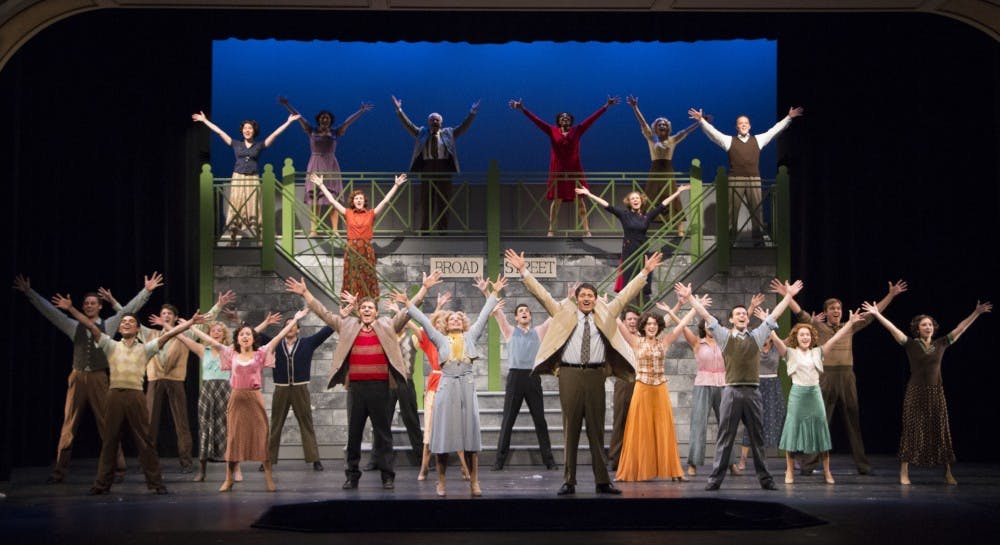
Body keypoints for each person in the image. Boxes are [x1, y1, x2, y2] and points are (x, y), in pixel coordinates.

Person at [505, 248, 664, 496]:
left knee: (596, 428)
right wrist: (523, 270)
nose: (587, 299)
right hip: (569, 374)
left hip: (595, 375)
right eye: (583, 295)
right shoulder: (563, 311)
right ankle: (569, 480)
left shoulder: (606, 312)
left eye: (591, 295)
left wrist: (644, 272)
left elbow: (625, 296)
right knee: (571, 428)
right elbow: (542, 295)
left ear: (597, 298)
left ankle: (602, 481)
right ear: (577, 299)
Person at [285, 273, 438, 490]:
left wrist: (423, 289)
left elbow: (407, 312)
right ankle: (352, 475)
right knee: (354, 434)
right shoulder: (347, 325)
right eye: (364, 307)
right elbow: (324, 313)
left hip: (380, 388)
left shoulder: (387, 324)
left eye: (370, 308)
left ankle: (387, 476)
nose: (367, 310)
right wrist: (306, 293)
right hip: (356, 389)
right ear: (359, 310)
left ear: (376, 312)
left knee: (383, 434)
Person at [13, 272, 161, 484]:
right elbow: (51, 313)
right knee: (69, 424)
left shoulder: (109, 325)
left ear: (100, 306)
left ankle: (118, 469)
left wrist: (147, 291)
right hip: (78, 376)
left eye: (93, 303)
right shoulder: (75, 326)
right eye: (86, 303)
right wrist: (30, 293)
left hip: (99, 378)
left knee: (107, 423)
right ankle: (59, 471)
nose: (89, 305)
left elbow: (129, 309)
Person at [51, 294, 204, 495]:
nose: (126, 324)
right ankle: (102, 484)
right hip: (114, 396)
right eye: (123, 322)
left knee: (145, 440)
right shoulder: (110, 345)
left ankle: (156, 483)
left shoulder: (145, 348)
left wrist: (190, 323)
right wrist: (71, 309)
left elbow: (167, 335)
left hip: (135, 396)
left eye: (131, 322)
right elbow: (92, 327)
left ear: (137, 329)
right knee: (109, 440)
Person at [679, 278, 803, 491]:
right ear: (731, 319)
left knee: (757, 438)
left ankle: (766, 480)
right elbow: (706, 316)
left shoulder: (756, 336)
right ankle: (714, 480)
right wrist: (690, 298)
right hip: (732, 391)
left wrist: (789, 296)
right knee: (725, 437)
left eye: (744, 313)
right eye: (738, 314)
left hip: (752, 392)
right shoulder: (725, 337)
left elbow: (774, 315)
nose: (743, 315)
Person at [775, 278, 908, 476]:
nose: (837, 311)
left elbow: (872, 314)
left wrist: (891, 294)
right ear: (826, 312)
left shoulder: (850, 325)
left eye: (839, 308)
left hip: (846, 376)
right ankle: (809, 464)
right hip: (826, 376)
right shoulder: (818, 327)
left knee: (852, 418)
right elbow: (799, 312)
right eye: (832, 308)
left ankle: (862, 465)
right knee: (819, 420)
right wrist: (787, 294)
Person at [395, 274, 505, 497]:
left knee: (471, 437)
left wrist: (494, 292)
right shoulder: (439, 338)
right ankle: (441, 483)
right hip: (445, 386)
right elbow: (425, 322)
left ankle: (474, 482)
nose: (455, 319)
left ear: (463, 322)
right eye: (451, 317)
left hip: (467, 385)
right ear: (446, 323)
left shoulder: (471, 336)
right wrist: (408, 304)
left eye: (458, 317)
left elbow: (484, 316)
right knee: (443, 436)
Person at [862, 299, 992, 485]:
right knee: (911, 431)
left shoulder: (941, 344)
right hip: (915, 393)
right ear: (917, 328)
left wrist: (976, 313)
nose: (928, 327)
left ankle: (947, 472)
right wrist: (877, 314)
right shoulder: (910, 344)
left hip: (935, 392)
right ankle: (904, 472)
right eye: (924, 325)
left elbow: (960, 328)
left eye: (930, 324)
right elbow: (893, 329)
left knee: (941, 430)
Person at [188, 308, 309, 492]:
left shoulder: (260, 353)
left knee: (261, 435)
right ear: (237, 339)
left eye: (248, 334)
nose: (245, 336)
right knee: (234, 438)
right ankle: (228, 479)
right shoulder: (231, 353)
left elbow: (279, 336)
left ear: (253, 338)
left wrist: (295, 320)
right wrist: (191, 326)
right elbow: (211, 341)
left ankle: (269, 478)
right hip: (236, 398)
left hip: (254, 398)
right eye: (242, 334)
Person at [767, 308, 864, 485]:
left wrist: (849, 323)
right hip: (798, 395)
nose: (805, 338)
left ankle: (827, 471)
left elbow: (835, 338)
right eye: (802, 335)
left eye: (808, 335)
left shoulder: (818, 352)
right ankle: (789, 471)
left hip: (814, 394)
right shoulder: (790, 353)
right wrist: (768, 321)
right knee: (792, 432)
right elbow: (774, 339)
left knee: (821, 432)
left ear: (812, 338)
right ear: (796, 337)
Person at [615, 297, 706, 482]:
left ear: (658, 326)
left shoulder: (664, 341)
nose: (651, 326)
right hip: (642, 388)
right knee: (638, 431)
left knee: (664, 430)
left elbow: (681, 325)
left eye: (655, 324)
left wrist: (695, 308)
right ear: (643, 326)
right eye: (648, 324)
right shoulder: (635, 341)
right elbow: (617, 321)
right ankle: (629, 471)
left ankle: (674, 471)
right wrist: (605, 305)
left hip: (660, 389)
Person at [142, 291, 232, 472]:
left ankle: (186, 462)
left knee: (181, 422)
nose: (166, 316)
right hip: (154, 380)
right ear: (159, 317)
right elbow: (129, 321)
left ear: (175, 318)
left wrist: (219, 306)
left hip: (175, 380)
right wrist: (114, 303)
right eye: (163, 314)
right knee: (149, 422)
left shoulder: (185, 335)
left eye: (169, 314)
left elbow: (205, 320)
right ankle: (147, 461)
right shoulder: (150, 333)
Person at [687, 106, 803, 241]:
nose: (743, 125)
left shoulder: (758, 140)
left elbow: (774, 131)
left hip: (754, 178)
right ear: (737, 127)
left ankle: (758, 240)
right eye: (740, 123)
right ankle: (730, 241)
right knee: (732, 211)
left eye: (746, 123)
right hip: (735, 179)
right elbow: (714, 134)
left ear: (749, 126)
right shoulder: (729, 140)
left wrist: (788, 118)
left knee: (757, 211)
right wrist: (701, 120)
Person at [510, 96, 619, 237]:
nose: (565, 118)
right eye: (562, 117)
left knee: (580, 200)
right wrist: (522, 109)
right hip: (559, 170)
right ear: (558, 121)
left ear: (571, 121)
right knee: (557, 200)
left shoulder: (577, 130)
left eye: (567, 117)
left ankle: (586, 230)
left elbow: (592, 119)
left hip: (575, 170)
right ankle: (551, 229)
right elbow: (537, 121)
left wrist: (606, 106)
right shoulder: (552, 130)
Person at [191, 110, 300, 240]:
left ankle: (259, 236)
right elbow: (220, 132)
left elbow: (275, 134)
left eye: (250, 128)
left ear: (254, 131)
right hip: (238, 177)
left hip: (252, 178)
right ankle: (233, 235)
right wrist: (205, 121)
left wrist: (288, 122)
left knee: (253, 204)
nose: (247, 130)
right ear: (242, 131)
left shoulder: (259, 146)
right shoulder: (236, 144)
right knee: (236, 203)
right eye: (245, 128)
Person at [278, 97, 373, 236]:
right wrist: (287, 105)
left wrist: (361, 111)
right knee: (314, 198)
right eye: (322, 117)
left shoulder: (335, 132)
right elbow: (300, 118)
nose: (325, 119)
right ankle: (313, 230)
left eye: (327, 117)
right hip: (315, 164)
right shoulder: (311, 131)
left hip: (331, 165)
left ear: (330, 120)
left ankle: (334, 230)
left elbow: (348, 122)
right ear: (318, 119)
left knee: (332, 198)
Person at [575, 184, 689, 300]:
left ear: (641, 201)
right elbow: (607, 205)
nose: (635, 200)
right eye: (633, 198)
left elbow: (663, 205)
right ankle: (627, 306)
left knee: (644, 281)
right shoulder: (624, 215)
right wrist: (589, 194)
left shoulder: (646, 216)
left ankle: (642, 304)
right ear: (629, 202)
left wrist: (677, 192)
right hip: (629, 252)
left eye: (637, 198)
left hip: (643, 250)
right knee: (628, 281)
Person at [256, 311, 334, 472]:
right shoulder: (275, 344)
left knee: (307, 424)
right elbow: (253, 334)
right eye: (287, 325)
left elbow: (326, 331)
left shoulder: (307, 343)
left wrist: (340, 316)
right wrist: (238, 321)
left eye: (293, 325)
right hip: (281, 388)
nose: (290, 328)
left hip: (300, 388)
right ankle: (268, 460)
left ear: (298, 329)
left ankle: (315, 459)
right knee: (276, 424)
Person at [392, 95, 479, 231]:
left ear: (441, 123)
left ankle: (442, 230)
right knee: (426, 201)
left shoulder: (448, 133)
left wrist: (472, 113)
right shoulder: (422, 132)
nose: (434, 122)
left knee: (444, 201)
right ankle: (425, 229)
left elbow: (463, 127)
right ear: (428, 122)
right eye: (432, 120)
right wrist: (399, 110)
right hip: (427, 168)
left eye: (437, 120)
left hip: (444, 167)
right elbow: (408, 125)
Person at [490, 298, 558, 472]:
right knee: (508, 420)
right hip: (515, 377)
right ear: (516, 318)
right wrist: (488, 294)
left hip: (533, 377)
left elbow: (555, 313)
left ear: (530, 315)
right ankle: (499, 461)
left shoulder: (538, 331)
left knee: (540, 420)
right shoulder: (510, 331)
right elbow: (498, 314)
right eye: (520, 311)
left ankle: (549, 461)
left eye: (526, 310)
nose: (524, 312)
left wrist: (570, 297)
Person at [315, 174, 408, 300]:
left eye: (361, 198)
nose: (359, 200)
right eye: (356, 198)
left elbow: (385, 201)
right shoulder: (348, 213)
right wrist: (321, 185)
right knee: (351, 277)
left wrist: (396, 186)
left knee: (368, 277)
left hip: (366, 250)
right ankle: (350, 305)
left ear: (364, 201)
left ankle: (369, 304)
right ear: (353, 201)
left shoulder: (370, 214)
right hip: (352, 249)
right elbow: (332, 201)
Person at [172, 320, 243, 483]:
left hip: (225, 389)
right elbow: (182, 337)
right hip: (207, 391)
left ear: (224, 334)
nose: (216, 333)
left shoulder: (230, 350)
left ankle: (236, 468)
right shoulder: (203, 350)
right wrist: (172, 325)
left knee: (229, 428)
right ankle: (202, 471)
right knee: (205, 428)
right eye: (213, 330)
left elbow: (248, 333)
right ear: (209, 333)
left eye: (219, 330)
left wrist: (237, 319)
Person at [625, 96, 702, 232]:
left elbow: (686, 131)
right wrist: (635, 107)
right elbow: (643, 124)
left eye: (664, 125)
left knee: (673, 196)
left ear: (668, 128)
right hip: (655, 168)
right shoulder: (652, 138)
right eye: (660, 125)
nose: (662, 126)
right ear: (656, 128)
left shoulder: (672, 139)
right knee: (649, 197)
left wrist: (700, 122)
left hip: (667, 169)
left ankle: (679, 229)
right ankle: (640, 227)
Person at [679, 317, 726, 476]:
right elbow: (682, 326)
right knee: (698, 424)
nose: (711, 328)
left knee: (727, 425)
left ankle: (730, 462)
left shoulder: (725, 341)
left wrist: (750, 308)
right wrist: (675, 310)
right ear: (703, 328)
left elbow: (740, 326)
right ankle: (693, 463)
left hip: (723, 384)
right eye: (707, 325)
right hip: (703, 384)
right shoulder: (698, 342)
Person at [607, 308, 640, 472]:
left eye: (635, 319)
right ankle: (615, 459)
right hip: (624, 380)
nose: (633, 322)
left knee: (639, 422)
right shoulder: (619, 337)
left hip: (642, 382)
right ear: (624, 322)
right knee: (620, 420)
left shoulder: (643, 338)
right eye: (630, 319)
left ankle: (635, 459)